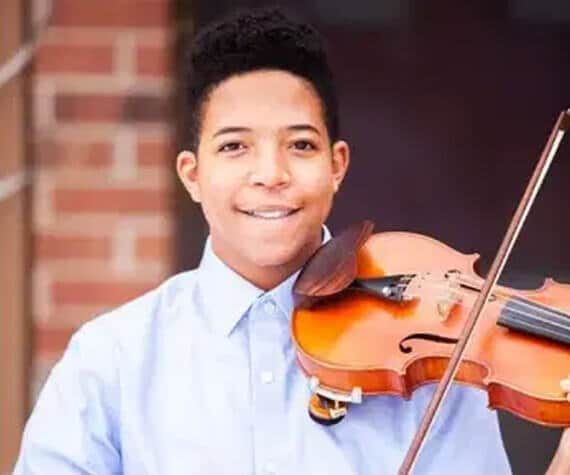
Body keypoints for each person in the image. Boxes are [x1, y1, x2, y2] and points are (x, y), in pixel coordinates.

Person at [13, 6, 570, 475]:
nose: (270, 173)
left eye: (300, 146)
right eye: (235, 147)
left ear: (336, 166)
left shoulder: (438, 358)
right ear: (191, 174)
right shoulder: (112, 359)